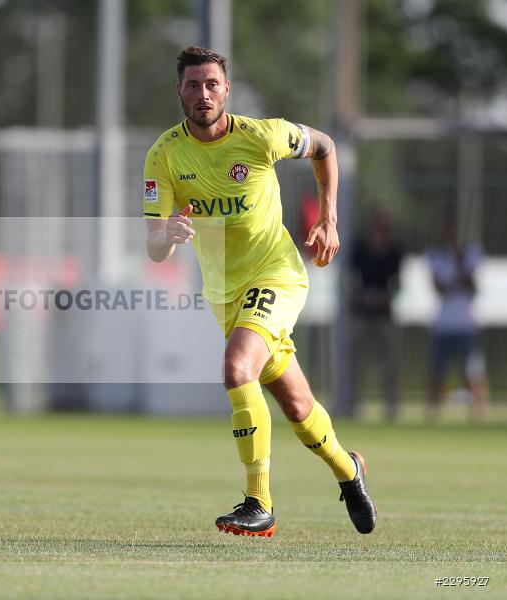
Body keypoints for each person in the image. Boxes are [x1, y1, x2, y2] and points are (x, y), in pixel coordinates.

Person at [143, 46, 375, 537]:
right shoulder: (164, 155)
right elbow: (155, 247)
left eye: (211, 84)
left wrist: (330, 219)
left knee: (235, 368)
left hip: (277, 275)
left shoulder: (263, 135)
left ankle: (259, 503)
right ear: (179, 92)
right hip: (225, 294)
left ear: (226, 90)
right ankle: (349, 470)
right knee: (296, 407)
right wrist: (169, 235)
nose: (202, 94)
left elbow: (326, 147)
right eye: (192, 85)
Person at [426, 215, 489, 422]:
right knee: (438, 368)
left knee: (472, 369)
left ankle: (479, 410)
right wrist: (457, 280)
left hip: (465, 324)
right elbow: (440, 287)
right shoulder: (436, 255)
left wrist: (459, 264)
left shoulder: (470, 254)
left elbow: (472, 286)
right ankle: (434, 409)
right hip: (444, 324)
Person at [344, 209, 403, 420]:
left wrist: (388, 297)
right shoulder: (360, 248)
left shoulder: (394, 251)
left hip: (384, 315)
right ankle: (352, 405)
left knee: (391, 363)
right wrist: (360, 295)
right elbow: (351, 279)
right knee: (355, 362)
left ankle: (392, 407)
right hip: (362, 313)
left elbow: (397, 283)